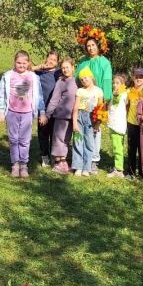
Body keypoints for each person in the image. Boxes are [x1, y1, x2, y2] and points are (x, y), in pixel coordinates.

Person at [0, 50, 46, 178]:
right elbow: (1, 94)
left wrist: (42, 112)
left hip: (27, 113)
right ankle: (15, 164)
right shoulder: (8, 76)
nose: (21, 65)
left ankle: (24, 164)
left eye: (24, 63)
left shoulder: (33, 77)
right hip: (12, 112)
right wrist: (1, 111)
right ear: (14, 62)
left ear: (28, 63)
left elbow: (39, 96)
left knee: (24, 140)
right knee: (13, 139)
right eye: (19, 63)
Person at [74, 26, 112, 171]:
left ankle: (93, 159)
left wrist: (104, 103)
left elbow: (107, 81)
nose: (90, 48)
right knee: (81, 129)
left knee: (95, 130)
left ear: (98, 46)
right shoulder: (82, 62)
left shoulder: (104, 63)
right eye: (88, 46)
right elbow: (76, 80)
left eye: (93, 45)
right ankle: (80, 157)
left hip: (97, 102)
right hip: (82, 101)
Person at [45, 58, 78, 174]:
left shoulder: (76, 81)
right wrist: (47, 114)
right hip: (61, 115)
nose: (65, 70)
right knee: (59, 138)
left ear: (73, 68)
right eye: (63, 68)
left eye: (67, 67)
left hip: (72, 116)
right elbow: (54, 100)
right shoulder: (61, 82)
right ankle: (58, 162)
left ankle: (63, 160)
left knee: (66, 139)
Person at [72, 67, 104, 177]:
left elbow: (101, 109)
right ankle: (78, 167)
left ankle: (87, 167)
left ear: (91, 77)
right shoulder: (80, 91)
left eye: (85, 77)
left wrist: (97, 124)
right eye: (81, 79)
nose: (84, 80)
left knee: (89, 143)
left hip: (92, 119)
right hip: (79, 117)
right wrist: (74, 123)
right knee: (78, 141)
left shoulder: (98, 91)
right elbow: (75, 108)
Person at [33, 51, 61, 167]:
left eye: (54, 60)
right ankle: (44, 156)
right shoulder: (39, 72)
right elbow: (27, 69)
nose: (51, 61)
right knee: (43, 133)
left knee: (55, 134)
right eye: (50, 59)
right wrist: (40, 66)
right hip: (43, 108)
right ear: (46, 59)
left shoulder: (59, 72)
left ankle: (55, 157)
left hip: (56, 109)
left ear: (57, 62)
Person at [125, 67, 143, 179]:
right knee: (132, 148)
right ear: (133, 78)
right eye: (136, 77)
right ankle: (131, 171)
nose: (138, 79)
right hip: (131, 123)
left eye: (141, 77)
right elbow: (126, 106)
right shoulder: (129, 91)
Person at [107, 74, 129, 178]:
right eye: (113, 83)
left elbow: (118, 100)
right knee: (116, 147)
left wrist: (116, 94)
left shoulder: (123, 94)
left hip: (118, 125)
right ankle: (117, 166)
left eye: (117, 83)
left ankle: (119, 170)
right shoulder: (114, 93)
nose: (115, 85)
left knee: (118, 148)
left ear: (123, 85)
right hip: (113, 124)